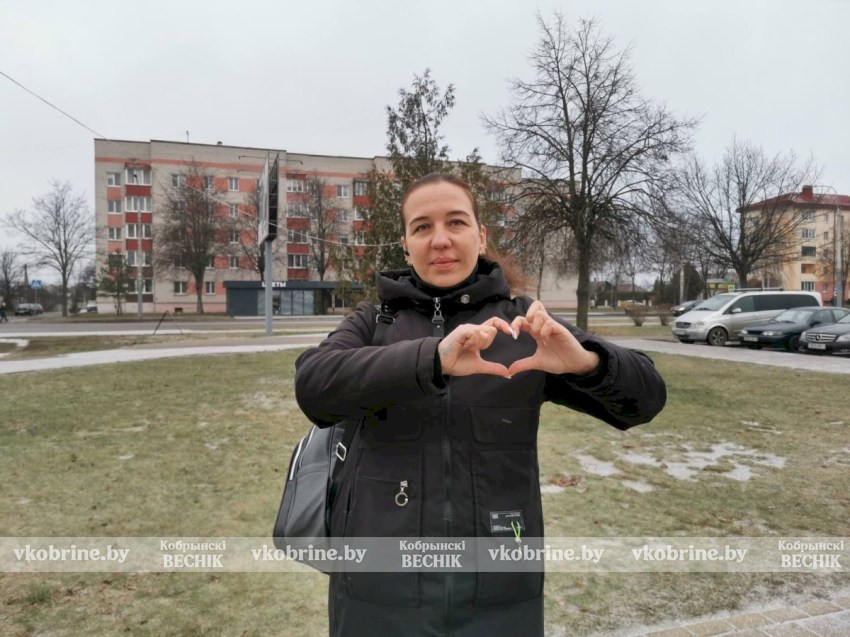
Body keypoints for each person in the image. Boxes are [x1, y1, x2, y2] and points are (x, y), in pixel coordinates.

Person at [294, 173, 666, 637]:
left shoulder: (520, 325)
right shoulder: (374, 323)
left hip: (499, 595)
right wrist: (434, 359)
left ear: (481, 235)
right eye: (422, 227)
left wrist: (587, 363)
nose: (441, 240)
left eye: (456, 222)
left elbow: (646, 399)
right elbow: (313, 386)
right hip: (377, 593)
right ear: (406, 245)